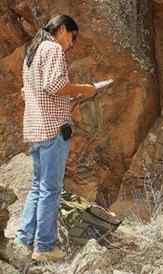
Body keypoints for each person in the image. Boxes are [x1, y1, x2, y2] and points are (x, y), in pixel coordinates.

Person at [15, 15, 96, 261]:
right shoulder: (52, 48)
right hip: (52, 131)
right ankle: (44, 247)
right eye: (72, 37)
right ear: (61, 29)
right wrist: (85, 88)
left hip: (35, 129)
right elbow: (54, 86)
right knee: (51, 190)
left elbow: (30, 92)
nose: (71, 44)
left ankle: (23, 241)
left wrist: (68, 97)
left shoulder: (33, 52)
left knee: (39, 187)